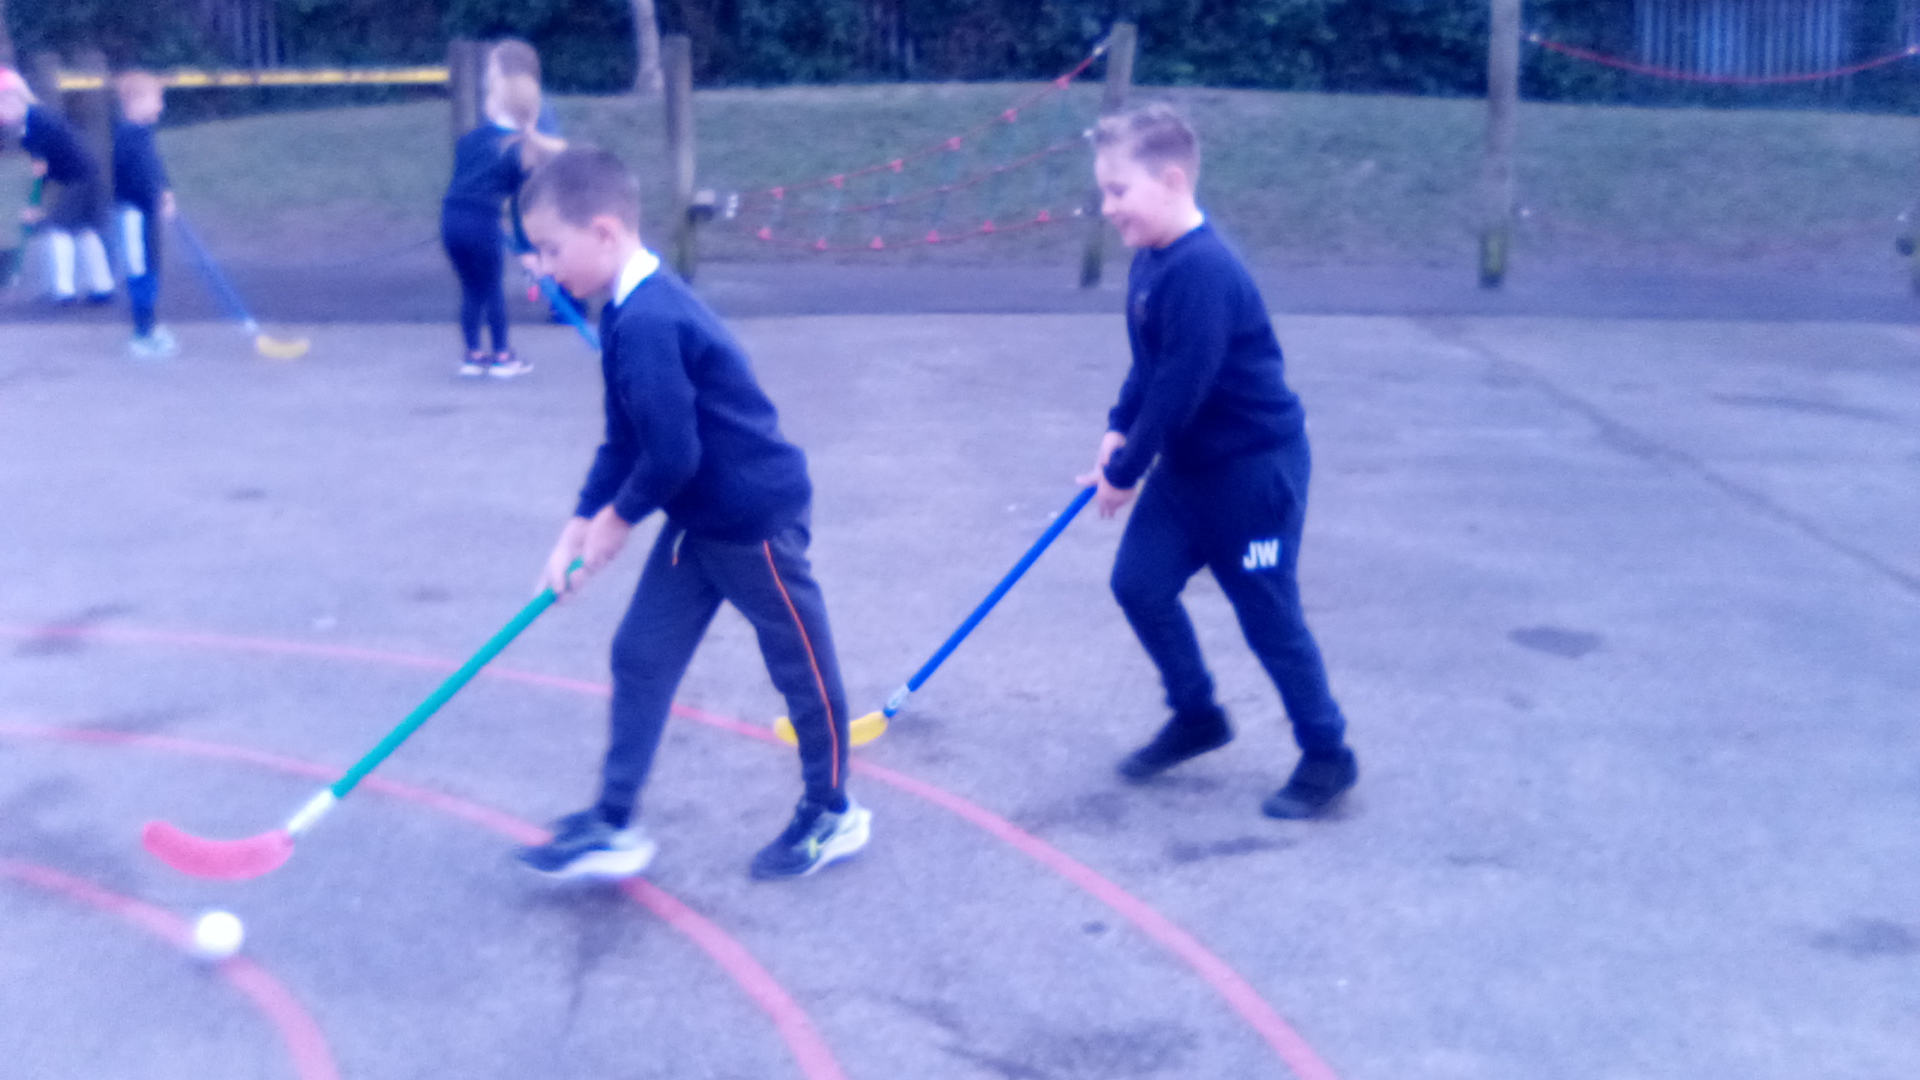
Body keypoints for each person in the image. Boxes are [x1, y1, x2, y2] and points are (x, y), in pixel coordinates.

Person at [516, 146, 869, 880]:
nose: (544, 269)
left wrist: (614, 524)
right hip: (700, 522)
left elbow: (673, 454)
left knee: (801, 668)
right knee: (640, 653)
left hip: (754, 520)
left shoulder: (650, 320)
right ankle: (614, 821)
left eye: (551, 249)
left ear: (604, 232)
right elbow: (625, 439)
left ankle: (833, 811)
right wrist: (577, 527)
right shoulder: (622, 310)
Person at [1074, 104, 1359, 820]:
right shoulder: (1153, 260)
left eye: (1118, 190)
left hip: (1253, 474)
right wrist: (1117, 429)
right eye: (1104, 191)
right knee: (1139, 584)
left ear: (1172, 180)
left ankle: (1327, 753)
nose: (1107, 207)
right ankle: (1197, 714)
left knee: (1267, 615)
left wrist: (1124, 472)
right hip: (1190, 471)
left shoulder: (1204, 270)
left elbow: (1183, 385)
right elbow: (1150, 365)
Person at [439, 71, 562, 378]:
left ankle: (472, 354)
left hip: (451, 218)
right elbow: (518, 207)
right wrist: (526, 249)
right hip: (482, 221)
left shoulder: (469, 139)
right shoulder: (521, 150)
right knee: (492, 287)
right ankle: (502, 356)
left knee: (471, 288)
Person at [487, 38, 583, 325]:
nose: (488, 73)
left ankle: (569, 298)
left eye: (493, 66)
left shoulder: (536, 104)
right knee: (529, 246)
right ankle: (554, 293)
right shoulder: (494, 107)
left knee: (548, 243)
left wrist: (529, 135)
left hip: (539, 187)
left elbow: (557, 147)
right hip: (515, 189)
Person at [0, 68, 114, 305]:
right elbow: (43, 170)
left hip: (80, 177)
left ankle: (64, 290)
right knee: (82, 229)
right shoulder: (30, 122)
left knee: (57, 228)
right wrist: (36, 202)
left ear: (12, 101)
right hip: (81, 175)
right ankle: (102, 286)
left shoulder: (36, 120)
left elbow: (40, 170)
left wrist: (35, 206)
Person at [113, 71, 177, 358]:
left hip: (147, 213)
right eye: (156, 99)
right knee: (140, 272)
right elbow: (133, 176)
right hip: (133, 214)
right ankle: (142, 334)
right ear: (134, 101)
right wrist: (155, 196)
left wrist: (166, 190)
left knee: (151, 269)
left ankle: (150, 326)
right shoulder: (126, 136)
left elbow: (155, 167)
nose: (160, 105)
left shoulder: (143, 133)